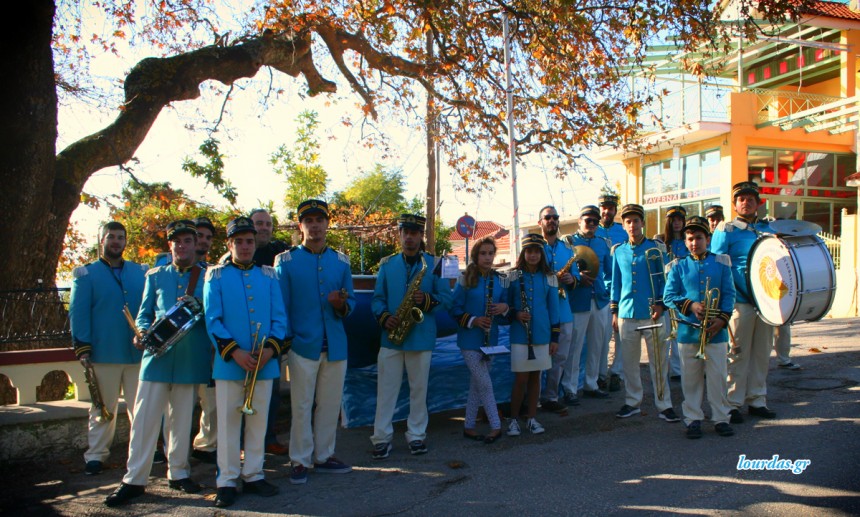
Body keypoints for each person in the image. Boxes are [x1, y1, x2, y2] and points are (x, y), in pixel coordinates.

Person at [105, 220, 212, 506]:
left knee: (180, 422)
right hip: (156, 358)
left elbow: (213, 315)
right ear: (170, 245)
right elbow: (143, 313)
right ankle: (134, 479)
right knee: (144, 421)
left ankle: (178, 473)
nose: (182, 245)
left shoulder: (208, 277)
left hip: (189, 357)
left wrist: (197, 307)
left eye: (188, 240)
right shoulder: (155, 275)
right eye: (177, 241)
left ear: (194, 244)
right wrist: (140, 333)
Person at [204, 216, 288, 508]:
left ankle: (253, 474)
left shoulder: (268, 275)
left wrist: (269, 351)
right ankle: (226, 480)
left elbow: (280, 319)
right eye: (238, 241)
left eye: (249, 241)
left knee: (258, 422)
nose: (244, 246)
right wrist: (235, 352)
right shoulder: (214, 276)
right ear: (229, 244)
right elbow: (212, 320)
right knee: (227, 425)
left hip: (264, 363)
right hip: (230, 363)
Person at [274, 199, 356, 485]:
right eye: (308, 220)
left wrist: (340, 305)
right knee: (301, 404)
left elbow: (352, 303)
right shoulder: (285, 261)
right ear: (301, 226)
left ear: (327, 224)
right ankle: (299, 459)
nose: (315, 225)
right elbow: (280, 306)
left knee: (330, 404)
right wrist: (286, 341)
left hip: (335, 344)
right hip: (302, 345)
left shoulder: (341, 261)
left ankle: (324, 456)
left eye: (319, 220)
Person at [370, 214, 452, 460]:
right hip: (391, 335)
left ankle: (417, 435)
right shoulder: (386, 264)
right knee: (386, 390)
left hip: (420, 337)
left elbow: (447, 298)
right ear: (400, 235)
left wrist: (427, 300)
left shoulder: (436, 263)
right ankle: (381, 438)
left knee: (419, 390)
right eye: (405, 232)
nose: (409, 237)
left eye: (414, 233)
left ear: (421, 236)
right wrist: (384, 317)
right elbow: (377, 299)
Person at [70, 222, 147, 476]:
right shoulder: (87, 274)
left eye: (120, 237)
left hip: (137, 354)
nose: (116, 241)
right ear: (101, 240)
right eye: (111, 237)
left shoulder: (140, 272)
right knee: (103, 408)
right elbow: (78, 313)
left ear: (126, 241)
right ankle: (96, 455)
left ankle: (143, 453)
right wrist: (83, 347)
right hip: (104, 352)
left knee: (142, 408)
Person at [663, 216, 736, 439]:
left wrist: (722, 320)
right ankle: (693, 418)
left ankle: (721, 418)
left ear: (708, 238)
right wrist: (691, 305)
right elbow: (668, 296)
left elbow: (729, 294)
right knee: (691, 379)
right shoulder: (678, 265)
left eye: (699, 238)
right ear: (685, 242)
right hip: (688, 332)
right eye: (690, 239)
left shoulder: (721, 262)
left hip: (716, 331)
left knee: (717, 377)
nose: (694, 242)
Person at [711, 181, 778, 422]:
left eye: (750, 198)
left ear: (758, 202)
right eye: (741, 198)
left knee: (762, 352)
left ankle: (757, 400)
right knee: (737, 354)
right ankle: (732, 403)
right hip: (740, 301)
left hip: (767, 303)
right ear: (735, 203)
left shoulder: (768, 229)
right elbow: (717, 264)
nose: (746, 202)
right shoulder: (726, 229)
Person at [610, 204, 680, 422]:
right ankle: (632, 402)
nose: (632, 225)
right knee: (630, 363)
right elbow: (616, 283)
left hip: (654, 313)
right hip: (627, 313)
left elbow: (667, 280)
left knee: (659, 362)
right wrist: (614, 312)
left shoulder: (656, 248)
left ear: (642, 223)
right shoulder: (618, 250)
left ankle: (664, 404)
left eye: (636, 221)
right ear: (624, 225)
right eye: (628, 222)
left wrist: (662, 304)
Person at [449, 236, 509, 444]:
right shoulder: (465, 278)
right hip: (469, 341)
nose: (487, 257)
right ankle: (496, 426)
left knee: (477, 385)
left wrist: (504, 308)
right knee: (485, 384)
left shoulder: (500, 279)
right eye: (483, 253)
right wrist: (473, 320)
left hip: (491, 340)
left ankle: (468, 426)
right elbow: (454, 309)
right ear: (476, 255)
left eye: (491, 253)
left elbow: (506, 308)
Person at [506, 234, 560, 436]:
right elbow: (505, 306)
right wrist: (515, 314)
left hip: (542, 335)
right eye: (529, 251)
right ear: (523, 253)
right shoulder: (512, 276)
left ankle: (531, 418)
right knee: (521, 378)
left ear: (542, 254)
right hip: (520, 336)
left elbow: (554, 310)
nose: (533, 255)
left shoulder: (550, 277)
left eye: (537, 251)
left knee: (536, 377)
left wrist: (554, 338)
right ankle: (513, 420)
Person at [249, 208, 292, 456]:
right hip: (244, 336)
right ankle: (246, 443)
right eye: (259, 224)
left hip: (274, 335)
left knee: (272, 391)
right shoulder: (233, 256)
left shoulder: (281, 254)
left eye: (267, 224)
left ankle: (269, 439)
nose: (264, 228)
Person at [565, 205, 613, 399]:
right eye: (588, 220)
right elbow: (564, 268)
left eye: (595, 221)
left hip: (599, 300)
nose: (592, 224)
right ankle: (570, 387)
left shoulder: (603, 243)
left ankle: (591, 384)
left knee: (597, 344)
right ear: (579, 221)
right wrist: (578, 276)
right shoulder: (569, 242)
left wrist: (608, 293)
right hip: (578, 299)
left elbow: (609, 273)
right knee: (574, 346)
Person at [538, 206, 580, 412]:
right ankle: (534, 399)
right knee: (538, 357)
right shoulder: (534, 248)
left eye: (555, 217)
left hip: (564, 310)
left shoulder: (567, 249)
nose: (552, 220)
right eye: (548, 217)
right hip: (541, 312)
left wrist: (571, 279)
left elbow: (577, 280)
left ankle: (551, 397)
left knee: (560, 357)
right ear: (541, 222)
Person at [191, 216, 218, 464]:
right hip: (180, 345)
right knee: (175, 403)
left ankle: (206, 445)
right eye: (200, 236)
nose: (204, 241)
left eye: (209, 237)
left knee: (210, 400)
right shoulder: (167, 266)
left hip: (207, 344)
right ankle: (170, 449)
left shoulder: (213, 272)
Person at [595, 193, 627, 393]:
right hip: (601, 292)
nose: (607, 211)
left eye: (610, 207)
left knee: (621, 335)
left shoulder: (622, 231)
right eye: (604, 207)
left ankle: (617, 373)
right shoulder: (593, 230)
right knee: (602, 337)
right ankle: (599, 374)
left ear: (615, 210)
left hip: (623, 291)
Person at [654, 206, 688, 380]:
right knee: (665, 333)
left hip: (683, 293)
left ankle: (678, 369)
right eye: (673, 220)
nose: (677, 223)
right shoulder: (660, 242)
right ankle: (662, 368)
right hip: (665, 292)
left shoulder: (687, 242)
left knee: (679, 332)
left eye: (680, 220)